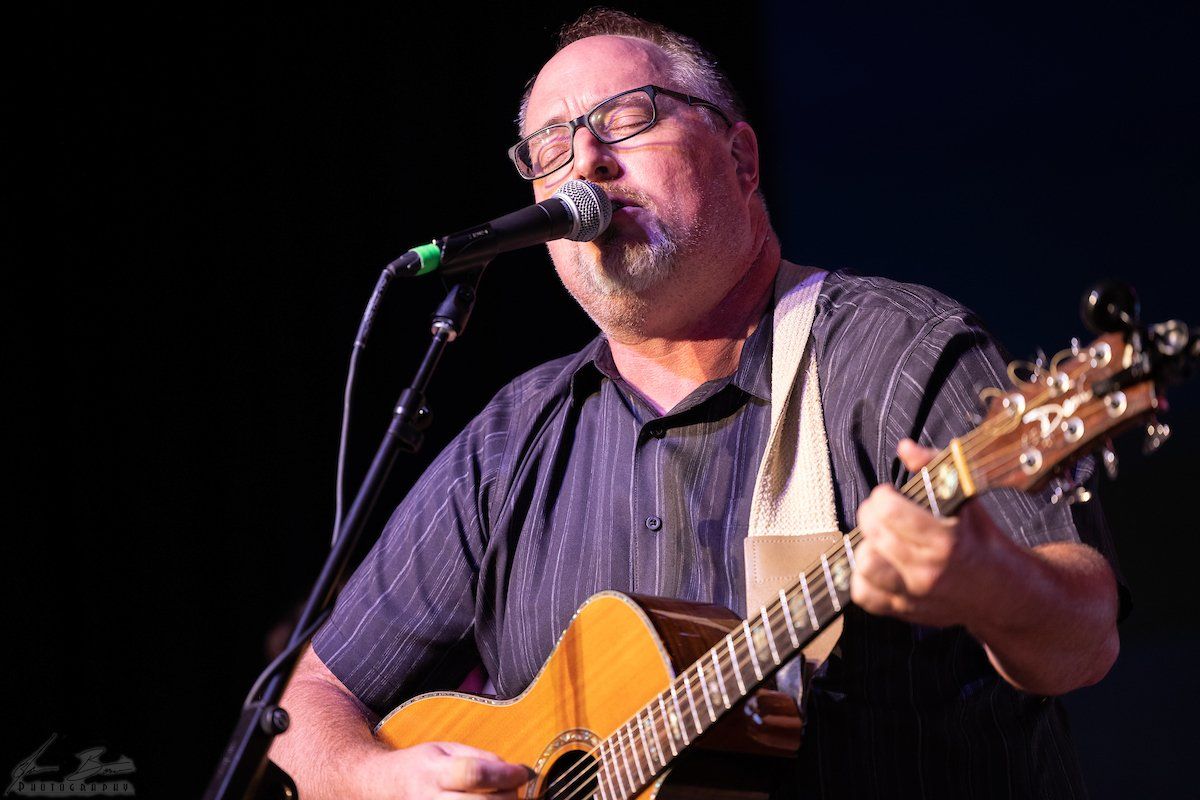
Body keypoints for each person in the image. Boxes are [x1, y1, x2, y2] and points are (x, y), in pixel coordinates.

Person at [269, 9, 1124, 799]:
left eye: (627, 118)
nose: (586, 161)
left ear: (742, 159)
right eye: (551, 145)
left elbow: (1086, 637)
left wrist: (988, 579)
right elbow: (303, 702)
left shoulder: (894, 351)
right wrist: (372, 779)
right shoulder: (508, 442)